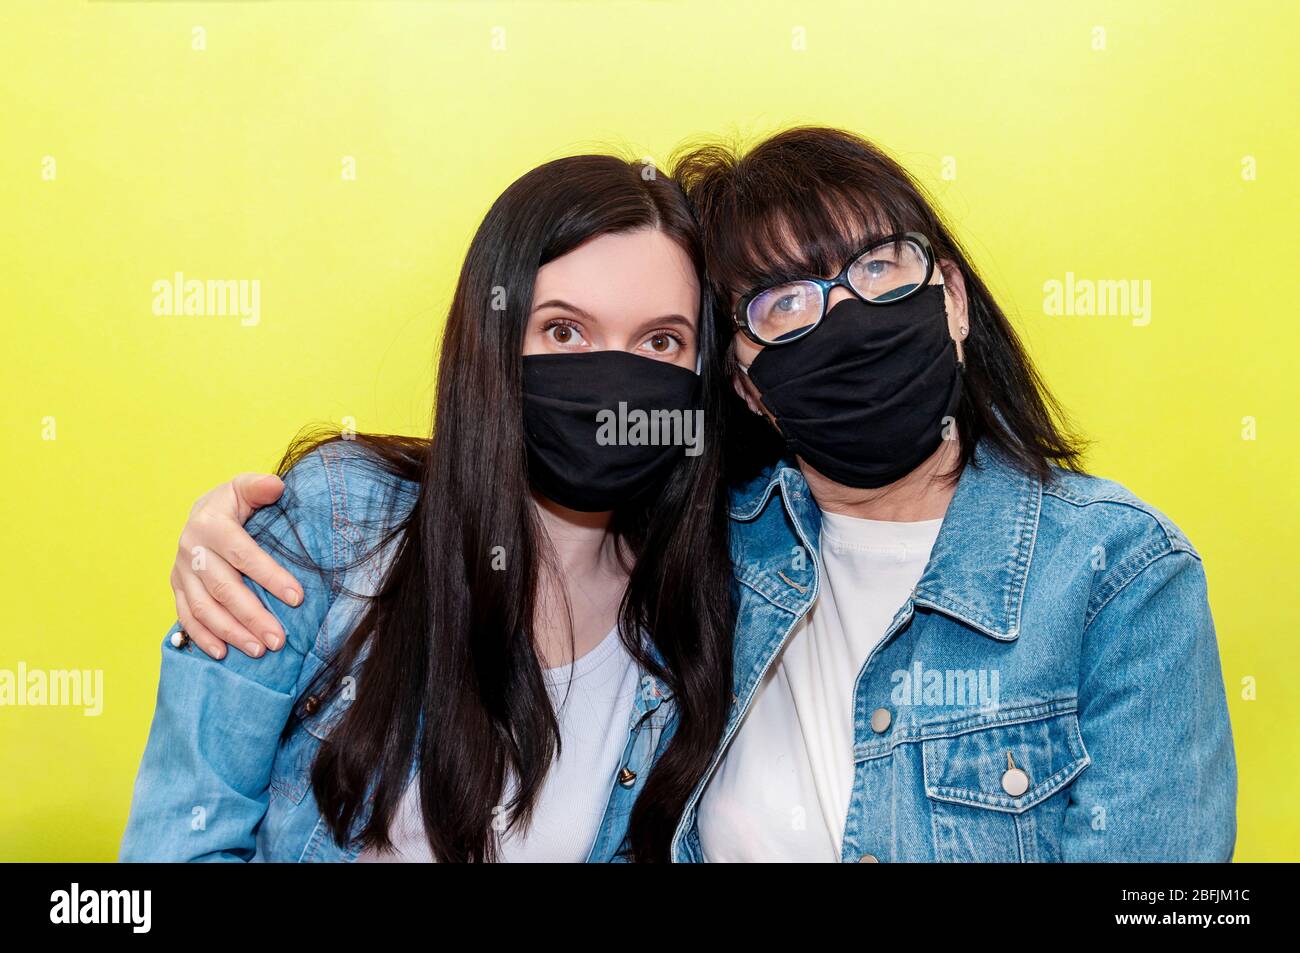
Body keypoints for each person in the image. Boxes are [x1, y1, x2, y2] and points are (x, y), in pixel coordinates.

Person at [153, 127, 1237, 863]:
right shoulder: (717, 559)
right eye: (787, 303)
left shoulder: (1115, 577)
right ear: (747, 380)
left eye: (881, 272)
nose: (847, 319)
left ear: (950, 295)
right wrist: (246, 529)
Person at [120, 154, 735, 863]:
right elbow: (176, 843)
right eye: (565, 331)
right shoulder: (335, 520)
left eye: (660, 342)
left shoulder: (691, 618)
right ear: (495, 340)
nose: (613, 379)